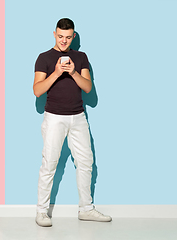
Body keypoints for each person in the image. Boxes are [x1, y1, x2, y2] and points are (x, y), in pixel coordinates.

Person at [33, 18, 111, 227]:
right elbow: (37, 90)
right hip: (54, 118)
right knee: (49, 164)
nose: (64, 41)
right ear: (54, 34)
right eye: (60, 37)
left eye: (68, 37)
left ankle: (86, 209)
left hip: (78, 117)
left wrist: (73, 71)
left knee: (86, 163)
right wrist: (57, 72)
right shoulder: (44, 58)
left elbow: (88, 88)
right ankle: (41, 212)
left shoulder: (81, 57)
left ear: (73, 36)